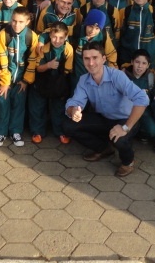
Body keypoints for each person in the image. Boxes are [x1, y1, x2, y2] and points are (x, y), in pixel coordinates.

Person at [64, 41, 149, 177]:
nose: (91, 63)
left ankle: (128, 162)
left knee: (120, 139)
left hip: (125, 119)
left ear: (103, 59)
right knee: (68, 126)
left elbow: (142, 99)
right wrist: (73, 110)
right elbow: (74, 102)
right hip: (104, 117)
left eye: (95, 58)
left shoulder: (117, 76)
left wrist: (125, 128)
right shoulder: (83, 80)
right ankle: (103, 149)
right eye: (87, 58)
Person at [0, 7, 39, 147]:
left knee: (19, 105)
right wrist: (5, 81)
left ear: (27, 21)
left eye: (20, 22)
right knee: (2, 103)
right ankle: (0, 132)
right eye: (14, 21)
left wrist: (26, 80)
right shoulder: (3, 34)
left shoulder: (32, 36)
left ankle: (16, 131)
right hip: (5, 78)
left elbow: (33, 60)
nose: (16, 24)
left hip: (21, 79)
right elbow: (1, 59)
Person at [29, 21, 74, 144]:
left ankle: (60, 132)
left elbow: (68, 69)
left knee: (59, 108)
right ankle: (37, 131)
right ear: (50, 35)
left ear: (66, 37)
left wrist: (60, 78)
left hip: (59, 81)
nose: (57, 40)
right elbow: (38, 67)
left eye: (61, 38)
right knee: (37, 107)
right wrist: (48, 65)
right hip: (43, 79)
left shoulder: (68, 49)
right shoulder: (44, 47)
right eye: (54, 37)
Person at [118, 0, 155, 69]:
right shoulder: (125, 11)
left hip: (148, 58)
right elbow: (120, 33)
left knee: (147, 82)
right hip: (128, 57)